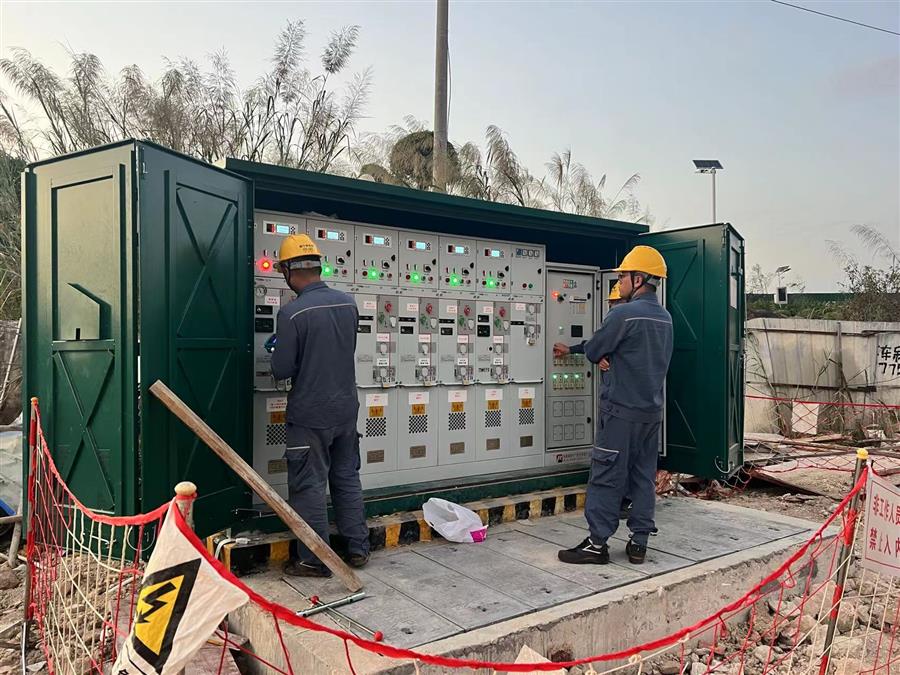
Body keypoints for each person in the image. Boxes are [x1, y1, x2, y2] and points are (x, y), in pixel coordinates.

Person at [554, 246, 673, 565]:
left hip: (620, 411)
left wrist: (599, 353)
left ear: (639, 279)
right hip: (651, 413)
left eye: (622, 277)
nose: (619, 283)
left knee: (606, 474)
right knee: (643, 477)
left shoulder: (622, 314)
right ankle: (639, 543)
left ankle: (597, 544)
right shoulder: (665, 318)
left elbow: (595, 349)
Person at [271, 234, 370, 577]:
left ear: (289, 270)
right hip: (346, 408)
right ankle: (357, 547)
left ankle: (314, 560)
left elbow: (282, 369)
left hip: (310, 413)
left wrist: (277, 349)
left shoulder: (292, 313)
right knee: (346, 476)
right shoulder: (348, 304)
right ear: (317, 266)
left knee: (309, 484)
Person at [604, 282, 632, 521]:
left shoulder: (627, 322)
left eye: (616, 303)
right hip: (622, 404)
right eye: (611, 304)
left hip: (624, 405)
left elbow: (596, 347)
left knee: (620, 455)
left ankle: (623, 501)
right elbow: (597, 346)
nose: (613, 307)